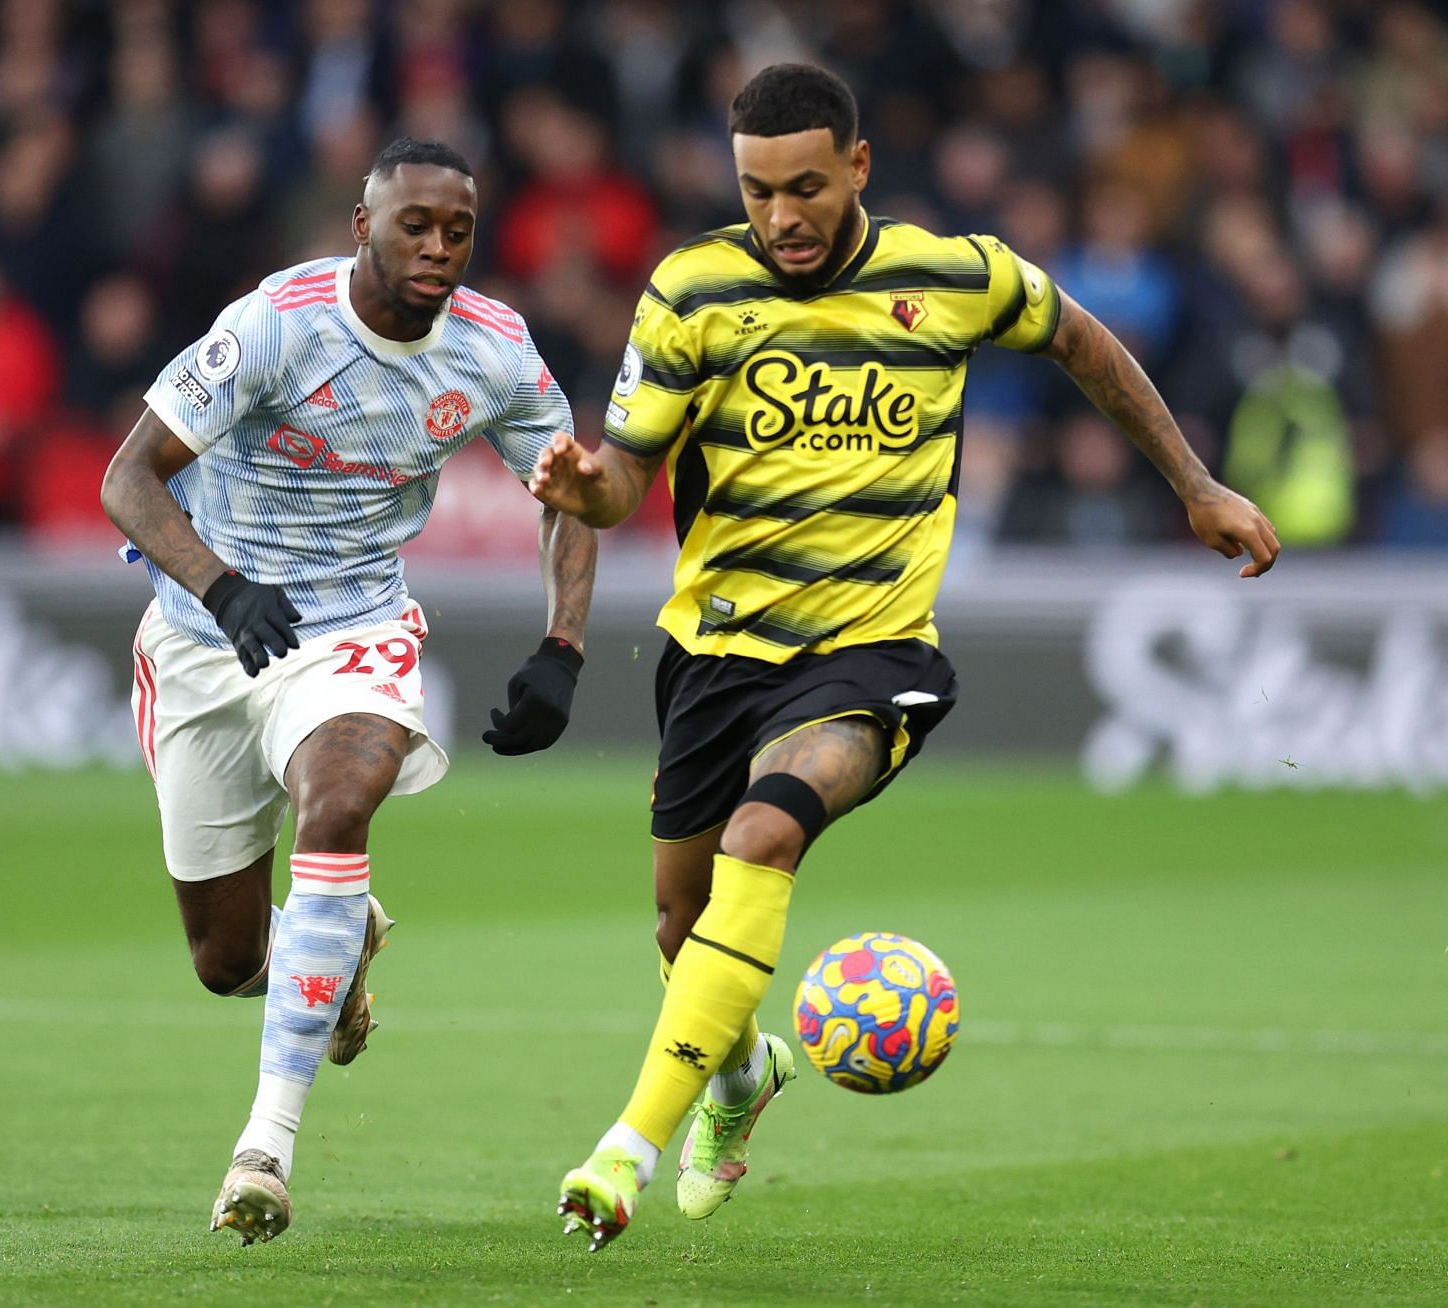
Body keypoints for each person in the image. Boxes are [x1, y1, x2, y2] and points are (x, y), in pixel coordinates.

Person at [528, 64, 1280, 1251]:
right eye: (760, 190)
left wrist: (1195, 485)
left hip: (876, 650)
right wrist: (591, 486)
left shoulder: (959, 275)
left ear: (860, 168)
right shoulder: (693, 287)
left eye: (809, 187)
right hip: (716, 650)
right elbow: (622, 473)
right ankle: (738, 1080)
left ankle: (624, 1149)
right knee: (684, 934)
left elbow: (1089, 348)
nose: (783, 216)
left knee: (762, 835)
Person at [98, 136, 596, 1246]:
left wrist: (563, 645)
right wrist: (222, 590)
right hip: (203, 635)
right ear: (363, 226)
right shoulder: (276, 324)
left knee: (342, 801)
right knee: (226, 961)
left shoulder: (495, 351)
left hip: (354, 625)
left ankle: (265, 1150)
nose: (436, 247)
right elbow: (127, 476)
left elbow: (568, 491)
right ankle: (341, 934)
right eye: (414, 224)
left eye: (457, 229)